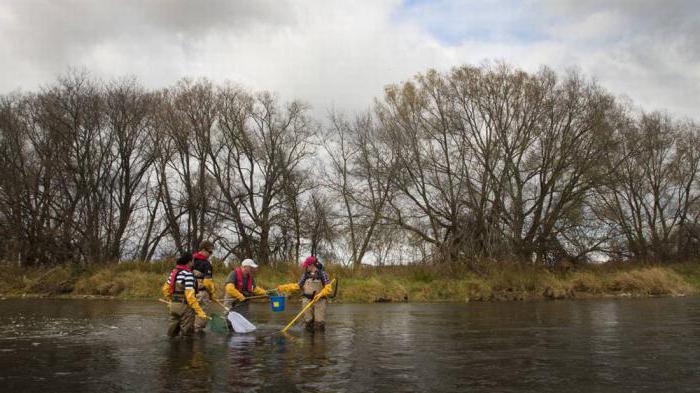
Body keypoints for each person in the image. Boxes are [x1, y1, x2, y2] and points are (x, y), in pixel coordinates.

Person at [277, 256, 333, 332]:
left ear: (311, 265)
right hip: (307, 301)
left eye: (307, 265)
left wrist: (321, 294)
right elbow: (297, 286)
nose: (306, 267)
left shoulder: (322, 274)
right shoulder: (305, 274)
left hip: (319, 301)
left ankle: (319, 342)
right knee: (308, 323)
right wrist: (284, 287)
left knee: (319, 324)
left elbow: (328, 288)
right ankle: (309, 342)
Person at [161, 252, 207, 337]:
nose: (193, 263)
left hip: (173, 307)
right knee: (187, 336)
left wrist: (171, 300)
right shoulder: (188, 274)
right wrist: (200, 312)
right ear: (189, 262)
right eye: (192, 261)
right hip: (185, 308)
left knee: (172, 335)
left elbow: (165, 290)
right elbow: (190, 297)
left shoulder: (174, 272)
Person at [192, 240, 216, 333]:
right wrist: (212, 294)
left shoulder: (190, 260)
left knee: (190, 315)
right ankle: (197, 337)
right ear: (203, 250)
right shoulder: (206, 264)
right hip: (201, 293)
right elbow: (208, 283)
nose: (210, 254)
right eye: (210, 252)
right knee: (201, 318)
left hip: (189, 293)